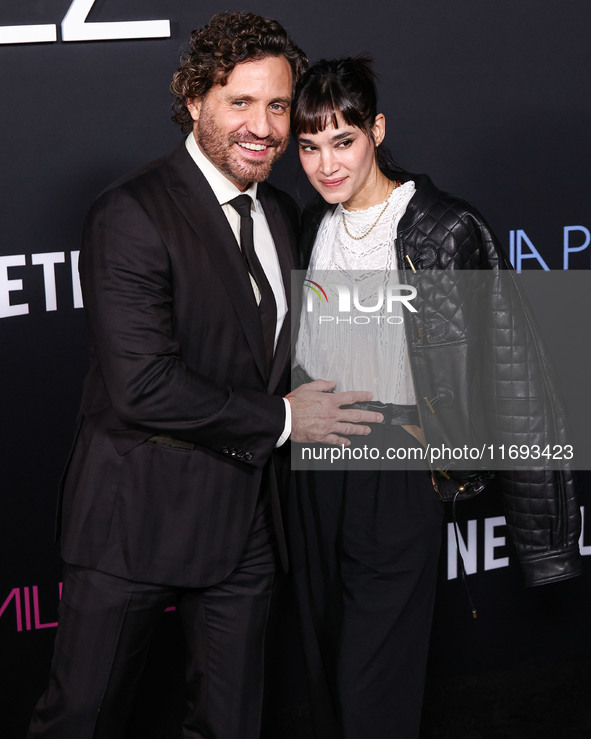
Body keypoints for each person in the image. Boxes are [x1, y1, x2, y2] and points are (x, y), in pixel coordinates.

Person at [26, 17, 383, 739]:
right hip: (136, 520)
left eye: (278, 106)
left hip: (247, 523)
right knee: (80, 720)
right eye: (240, 102)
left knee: (230, 724)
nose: (263, 126)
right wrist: (284, 419)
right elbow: (144, 385)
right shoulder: (131, 212)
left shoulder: (282, 212)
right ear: (195, 101)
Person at [288, 56, 581, 739]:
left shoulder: (442, 229)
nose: (325, 164)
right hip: (307, 472)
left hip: (395, 471)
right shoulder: (309, 224)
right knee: (322, 676)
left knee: (372, 687)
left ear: (376, 129)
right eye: (308, 146)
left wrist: (545, 542)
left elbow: (515, 372)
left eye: (342, 140)